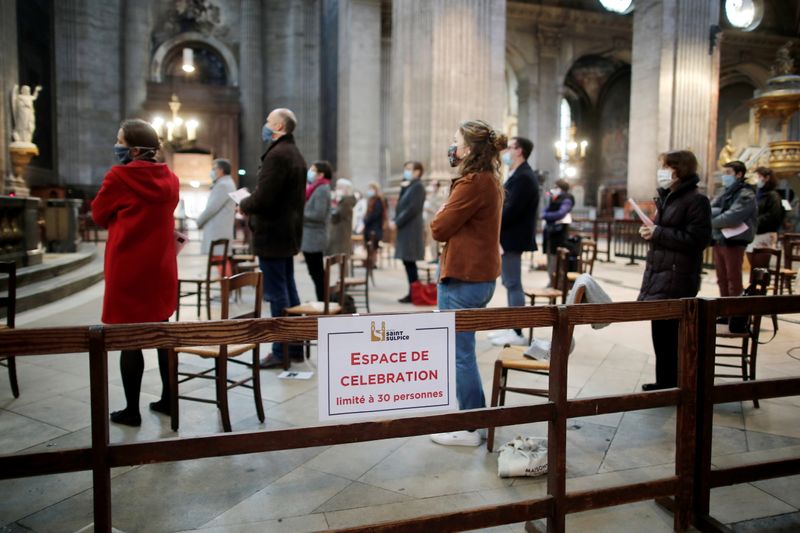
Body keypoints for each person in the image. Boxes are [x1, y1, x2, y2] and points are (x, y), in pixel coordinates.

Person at [91, 119, 179, 427]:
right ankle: (170, 401)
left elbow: (99, 214)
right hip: (160, 269)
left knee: (130, 340)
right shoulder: (171, 179)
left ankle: (132, 410)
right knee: (162, 334)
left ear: (136, 149)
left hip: (128, 268)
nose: (117, 147)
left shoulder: (119, 177)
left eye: (120, 142)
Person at [429, 119, 505, 446]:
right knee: (462, 350)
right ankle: (471, 416)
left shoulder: (473, 182)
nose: (452, 146)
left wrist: (444, 208)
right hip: (477, 276)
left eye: (456, 141)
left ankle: (471, 424)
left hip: (464, 278)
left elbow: (438, 227)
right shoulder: (489, 180)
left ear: (469, 149)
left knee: (460, 353)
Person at [637, 150, 711, 391]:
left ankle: (677, 384)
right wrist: (652, 231)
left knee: (671, 334)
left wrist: (658, 233)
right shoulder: (669, 197)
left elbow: (698, 239)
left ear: (678, 170)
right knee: (660, 332)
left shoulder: (696, 200)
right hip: (661, 272)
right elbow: (668, 232)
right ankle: (666, 382)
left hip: (678, 275)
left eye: (665, 166)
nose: (662, 171)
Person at [239, 108, 306, 368]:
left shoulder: (278, 155)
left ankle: (281, 350)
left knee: (277, 294)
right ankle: (296, 345)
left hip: (273, 235)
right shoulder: (294, 154)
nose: (264, 125)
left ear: (278, 125)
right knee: (289, 289)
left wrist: (244, 203)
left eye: (268, 121)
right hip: (286, 233)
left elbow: (264, 198)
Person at [491, 136, 539, 347]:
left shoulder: (525, 177)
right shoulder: (517, 175)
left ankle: (517, 331)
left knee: (513, 284)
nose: (506, 153)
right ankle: (512, 327)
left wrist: (491, 219)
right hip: (509, 237)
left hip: (513, 238)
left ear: (520, 151)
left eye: (510, 148)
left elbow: (510, 210)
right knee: (510, 283)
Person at [711, 160, 757, 298]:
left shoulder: (746, 194)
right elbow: (709, 208)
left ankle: (736, 316)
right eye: (723, 173)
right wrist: (721, 212)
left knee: (733, 279)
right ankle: (724, 313)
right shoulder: (723, 192)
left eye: (728, 173)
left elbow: (732, 217)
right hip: (719, 239)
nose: (724, 176)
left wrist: (712, 221)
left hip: (734, 241)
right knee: (722, 279)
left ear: (739, 174)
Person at [394, 161, 426, 303]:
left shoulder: (418, 186)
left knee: (410, 262)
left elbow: (412, 208)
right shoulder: (409, 186)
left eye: (409, 169)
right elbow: (401, 205)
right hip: (406, 229)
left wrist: (397, 222)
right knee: (408, 262)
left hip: (411, 230)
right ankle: (413, 292)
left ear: (417, 171)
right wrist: (402, 188)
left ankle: (414, 293)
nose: (405, 172)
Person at [301, 161, 332, 301]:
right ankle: (323, 300)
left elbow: (318, 215)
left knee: (317, 273)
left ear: (321, 174)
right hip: (311, 236)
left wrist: (299, 214)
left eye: (313, 170)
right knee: (316, 272)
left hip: (314, 237)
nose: (310, 172)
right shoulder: (316, 187)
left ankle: (323, 302)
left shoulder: (322, 189)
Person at [196, 158, 236, 259]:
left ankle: (226, 276)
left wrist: (199, 221)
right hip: (220, 229)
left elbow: (212, 208)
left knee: (221, 260)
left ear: (221, 170)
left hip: (218, 230)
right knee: (220, 260)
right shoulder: (226, 183)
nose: (212, 172)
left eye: (214, 169)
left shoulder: (223, 185)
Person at [746, 166, 784, 269]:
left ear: (767, 178)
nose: (756, 179)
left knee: (761, 267)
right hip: (754, 232)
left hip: (765, 233)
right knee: (753, 265)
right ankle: (754, 284)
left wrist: (754, 221)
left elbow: (773, 216)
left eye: (759, 176)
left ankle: (761, 284)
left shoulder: (773, 196)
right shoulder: (757, 194)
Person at [542, 179, 574, 286]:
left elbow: (561, 213)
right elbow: (544, 211)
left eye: (556, 187)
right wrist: (547, 215)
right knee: (550, 260)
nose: (554, 189)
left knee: (556, 261)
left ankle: (557, 284)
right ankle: (552, 281)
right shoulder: (554, 198)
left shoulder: (567, 198)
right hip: (550, 233)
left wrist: (548, 216)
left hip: (559, 234)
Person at [327, 178, 357, 260]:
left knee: (342, 258)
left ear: (345, 188)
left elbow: (338, 215)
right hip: (339, 232)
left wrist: (331, 208)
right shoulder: (344, 200)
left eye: (338, 187)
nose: (336, 189)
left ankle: (344, 273)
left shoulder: (347, 201)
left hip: (342, 232)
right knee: (339, 258)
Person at [363, 181, 387, 267]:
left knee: (374, 247)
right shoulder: (371, 200)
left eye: (371, 189)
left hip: (375, 228)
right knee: (370, 247)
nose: (369, 191)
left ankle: (373, 262)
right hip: (370, 227)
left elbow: (375, 215)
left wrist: (366, 220)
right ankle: (370, 261)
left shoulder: (378, 201)